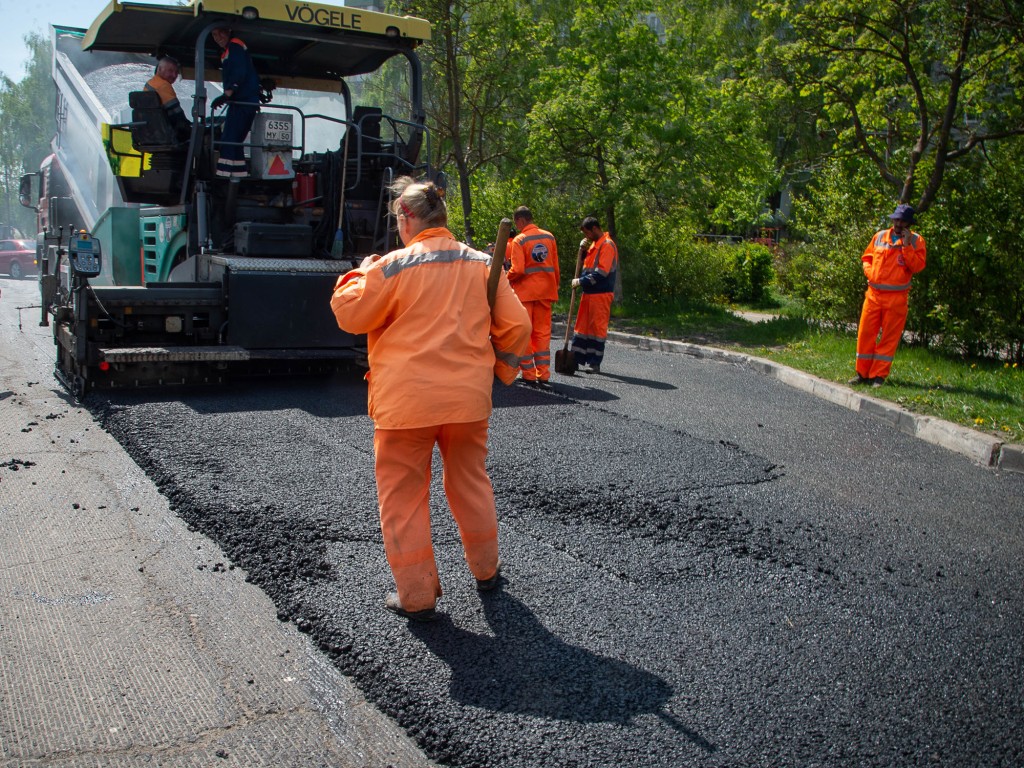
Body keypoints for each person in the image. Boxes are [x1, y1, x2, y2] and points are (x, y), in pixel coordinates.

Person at [329, 177, 531, 622]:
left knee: (403, 496)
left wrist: (361, 272)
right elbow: (516, 325)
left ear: (406, 217)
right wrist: (504, 369)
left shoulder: (392, 267)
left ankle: (417, 596)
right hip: (467, 403)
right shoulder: (481, 263)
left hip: (406, 406)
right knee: (470, 482)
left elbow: (350, 314)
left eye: (396, 219)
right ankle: (486, 572)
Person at [849, 203, 927, 388]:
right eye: (896, 219)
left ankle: (878, 376)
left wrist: (906, 247)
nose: (898, 224)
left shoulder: (916, 241)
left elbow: (917, 267)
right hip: (873, 295)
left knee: (888, 339)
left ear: (909, 223)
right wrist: (870, 273)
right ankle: (862, 373)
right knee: (865, 334)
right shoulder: (879, 236)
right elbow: (867, 258)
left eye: (902, 221)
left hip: (897, 298)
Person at [507, 206, 559, 389]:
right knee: (543, 333)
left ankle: (528, 374)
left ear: (520, 221)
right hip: (545, 292)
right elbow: (555, 267)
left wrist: (506, 278)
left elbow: (518, 269)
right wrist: (555, 287)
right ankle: (543, 374)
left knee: (526, 334)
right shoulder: (549, 237)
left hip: (525, 294)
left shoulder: (520, 240)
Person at [210, 26, 260, 177]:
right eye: (214, 35)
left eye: (220, 32)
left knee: (230, 140)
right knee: (233, 140)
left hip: (243, 102)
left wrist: (227, 93)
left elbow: (239, 71)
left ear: (229, 31)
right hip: (240, 102)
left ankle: (226, 177)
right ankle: (237, 175)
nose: (218, 37)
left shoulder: (235, 45)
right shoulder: (228, 51)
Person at [570, 216, 618, 374]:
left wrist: (581, 281)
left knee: (597, 329)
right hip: (589, 293)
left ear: (595, 229)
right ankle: (575, 360)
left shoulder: (607, 245)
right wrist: (583, 252)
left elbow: (602, 272)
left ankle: (594, 363)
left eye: (587, 233)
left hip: (601, 294)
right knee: (582, 328)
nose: (586, 237)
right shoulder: (595, 245)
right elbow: (588, 266)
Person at [144, 56, 191, 141]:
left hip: (153, 130)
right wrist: (191, 126)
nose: (174, 75)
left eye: (176, 72)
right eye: (170, 71)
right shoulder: (163, 85)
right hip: (166, 132)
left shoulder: (150, 84)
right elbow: (178, 114)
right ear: (160, 69)